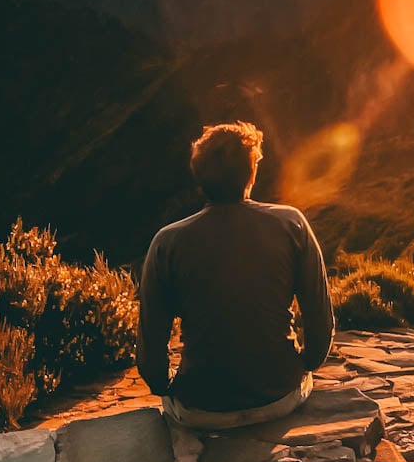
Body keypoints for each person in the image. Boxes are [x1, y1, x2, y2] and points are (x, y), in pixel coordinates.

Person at [137, 121, 335, 429]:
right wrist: (304, 366)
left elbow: (151, 350)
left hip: (200, 408)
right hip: (280, 397)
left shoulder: (167, 242)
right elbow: (320, 322)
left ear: (198, 174)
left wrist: (166, 386)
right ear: (251, 173)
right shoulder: (291, 224)